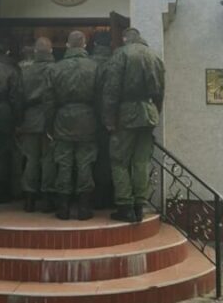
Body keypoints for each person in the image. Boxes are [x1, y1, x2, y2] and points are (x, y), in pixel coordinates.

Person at [102, 27, 165, 223]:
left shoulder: (121, 54)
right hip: (149, 112)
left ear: (124, 39)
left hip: (126, 114)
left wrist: (109, 118)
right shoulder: (154, 56)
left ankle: (125, 206)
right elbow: (160, 91)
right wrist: (156, 112)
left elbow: (111, 89)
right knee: (142, 161)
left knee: (119, 160)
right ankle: (140, 205)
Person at [45, 30, 98, 220]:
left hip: (62, 119)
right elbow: (101, 97)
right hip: (88, 118)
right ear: (84, 45)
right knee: (85, 163)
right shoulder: (95, 67)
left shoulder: (55, 68)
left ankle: (63, 208)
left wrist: (49, 125)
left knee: (64, 163)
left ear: (67, 45)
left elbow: (48, 101)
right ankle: (84, 208)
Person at [16, 36, 56, 212]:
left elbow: (18, 97)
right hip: (49, 119)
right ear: (51, 50)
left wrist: (19, 121)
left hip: (30, 118)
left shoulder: (25, 71)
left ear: (35, 51)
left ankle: (29, 199)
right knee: (48, 160)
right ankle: (47, 198)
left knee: (31, 159)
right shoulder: (55, 69)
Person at [0, 38, 23, 202]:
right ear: (8, 52)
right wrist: (18, 120)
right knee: (2, 153)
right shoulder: (12, 69)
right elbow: (16, 97)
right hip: (4, 113)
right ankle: (0, 191)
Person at [90, 30, 113, 208]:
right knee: (108, 157)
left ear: (95, 44)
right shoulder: (116, 63)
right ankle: (107, 197)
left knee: (89, 158)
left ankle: (90, 197)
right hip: (111, 119)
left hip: (88, 117)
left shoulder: (88, 64)